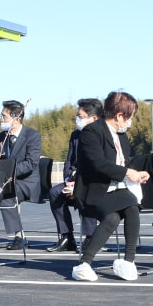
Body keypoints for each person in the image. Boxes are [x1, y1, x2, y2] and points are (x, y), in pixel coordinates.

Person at [71, 91, 149, 282]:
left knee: (114, 217)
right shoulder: (91, 132)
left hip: (116, 190)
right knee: (131, 205)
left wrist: (137, 172)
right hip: (93, 190)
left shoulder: (122, 135)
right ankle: (126, 261)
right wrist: (127, 173)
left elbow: (125, 161)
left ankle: (86, 264)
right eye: (130, 117)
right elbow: (98, 163)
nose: (130, 122)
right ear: (119, 115)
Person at [46, 97, 102, 253]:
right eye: (77, 116)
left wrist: (78, 183)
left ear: (94, 118)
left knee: (83, 192)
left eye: (81, 117)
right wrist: (68, 179)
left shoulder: (102, 136)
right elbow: (69, 161)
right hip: (74, 181)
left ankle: (90, 237)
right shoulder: (75, 135)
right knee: (55, 192)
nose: (78, 120)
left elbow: (97, 166)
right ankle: (67, 237)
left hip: (93, 182)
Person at [0, 100, 42, 251]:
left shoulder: (32, 136)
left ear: (16, 118)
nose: (1, 120)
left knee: (5, 193)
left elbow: (31, 164)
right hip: (7, 180)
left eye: (4, 117)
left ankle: (19, 236)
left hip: (26, 182)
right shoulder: (1, 136)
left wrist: (8, 172)